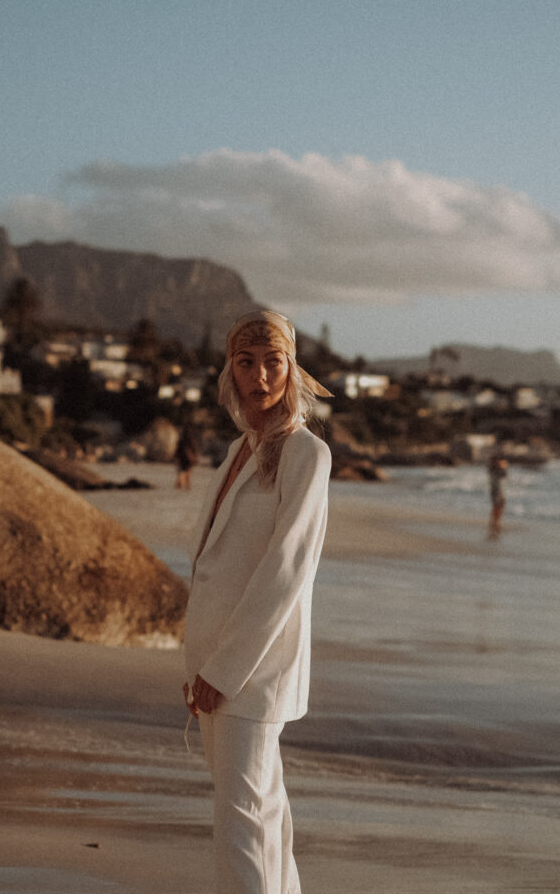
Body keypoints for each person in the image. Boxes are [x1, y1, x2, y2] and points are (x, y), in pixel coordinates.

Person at [182, 310, 332, 894]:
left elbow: (286, 571)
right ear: (230, 371)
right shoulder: (238, 451)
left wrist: (224, 669)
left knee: (241, 822)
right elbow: (213, 567)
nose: (260, 375)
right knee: (262, 812)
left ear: (292, 369)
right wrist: (198, 664)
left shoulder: (305, 454)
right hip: (217, 663)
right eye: (247, 362)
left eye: (274, 362)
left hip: (253, 671)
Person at [487, 452, 509, 539]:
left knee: (500, 506)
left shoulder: (494, 468)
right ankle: (495, 522)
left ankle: (496, 522)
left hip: (499, 489)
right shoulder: (493, 469)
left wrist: (503, 466)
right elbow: (504, 474)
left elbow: (504, 475)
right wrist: (504, 466)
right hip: (495, 490)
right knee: (497, 506)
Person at [175, 422, 199, 490]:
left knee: (183, 472)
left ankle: (182, 485)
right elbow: (194, 449)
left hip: (182, 458)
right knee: (187, 473)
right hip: (189, 459)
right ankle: (186, 486)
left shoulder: (181, 440)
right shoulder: (191, 440)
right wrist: (195, 457)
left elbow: (178, 450)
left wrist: (177, 457)